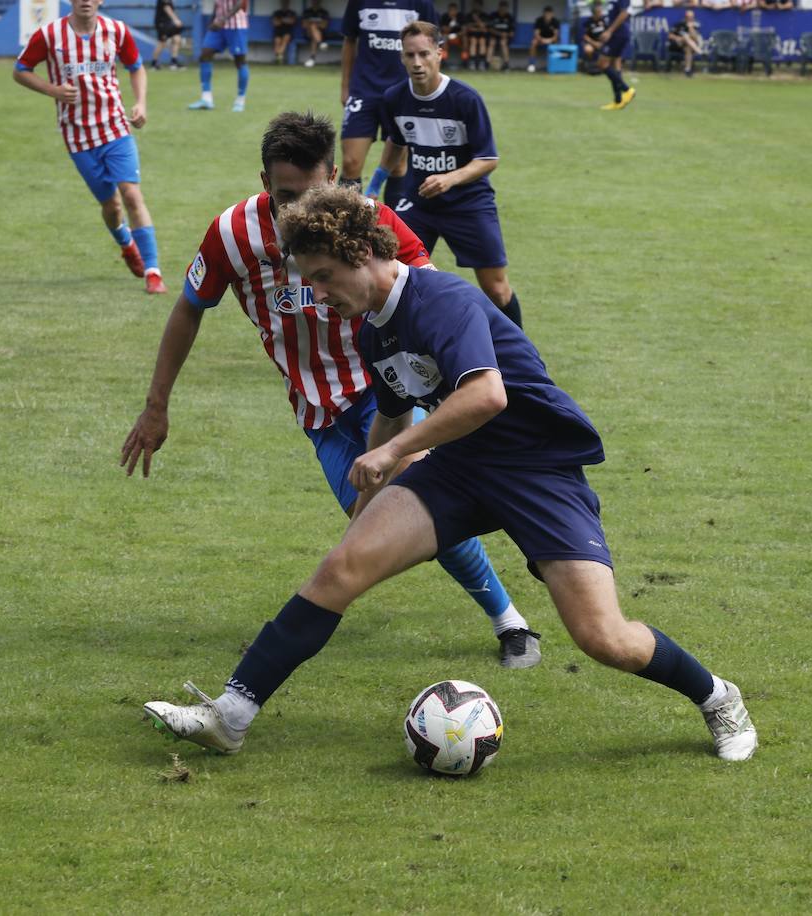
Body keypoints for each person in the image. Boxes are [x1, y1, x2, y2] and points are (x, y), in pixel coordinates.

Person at [142, 185, 760, 765]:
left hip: (537, 468)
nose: (320, 293)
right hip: (462, 466)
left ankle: (718, 698)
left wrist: (391, 455)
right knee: (341, 569)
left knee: (603, 637)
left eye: (325, 277)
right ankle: (231, 715)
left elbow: (487, 396)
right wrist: (365, 509)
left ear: (361, 253)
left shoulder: (443, 299)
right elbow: (388, 412)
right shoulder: (370, 327)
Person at [119, 111, 542, 670]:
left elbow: (429, 289)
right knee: (370, 525)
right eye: (285, 195)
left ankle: (510, 622)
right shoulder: (232, 234)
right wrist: (156, 407)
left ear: (335, 178)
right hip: (317, 410)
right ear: (265, 181)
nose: (298, 211)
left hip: (383, 389)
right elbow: (189, 309)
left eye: (311, 193)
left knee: (414, 497)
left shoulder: (366, 221)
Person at [13, 0, 165, 295]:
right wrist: (52, 90)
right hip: (77, 135)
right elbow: (20, 70)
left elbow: (136, 67)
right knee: (111, 206)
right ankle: (125, 243)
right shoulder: (50, 35)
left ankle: (153, 271)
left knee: (132, 195)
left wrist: (141, 102)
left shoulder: (116, 31)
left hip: (115, 127)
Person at [380, 20, 524, 327]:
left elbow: (488, 159)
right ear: (402, 58)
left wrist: (450, 178)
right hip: (420, 204)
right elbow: (396, 143)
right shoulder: (394, 98)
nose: (417, 63)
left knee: (497, 290)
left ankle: (520, 361)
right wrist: (376, 182)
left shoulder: (465, 99)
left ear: (439, 53)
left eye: (424, 54)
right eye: (409, 55)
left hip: (469, 203)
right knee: (396, 283)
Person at [339, 0, 436, 203]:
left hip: (404, 93)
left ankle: (393, 229)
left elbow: (433, 48)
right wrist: (345, 86)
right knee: (351, 162)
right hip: (363, 90)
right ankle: (346, 230)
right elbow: (349, 41)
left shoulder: (422, 3)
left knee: (399, 166)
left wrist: (426, 90)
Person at [188, 0, 249, 111]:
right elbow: (218, 4)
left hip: (236, 26)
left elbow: (240, 2)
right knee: (205, 54)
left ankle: (240, 100)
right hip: (218, 25)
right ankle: (206, 99)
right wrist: (212, 20)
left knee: (240, 61)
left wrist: (223, 19)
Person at [594, 0, 635, 111]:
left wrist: (609, 31)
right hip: (617, 33)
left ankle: (627, 90)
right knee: (616, 64)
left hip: (618, 33)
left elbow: (624, 13)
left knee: (602, 63)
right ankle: (618, 101)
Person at [149, 0, 183, 69]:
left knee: (177, 39)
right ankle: (154, 63)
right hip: (162, 23)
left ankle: (174, 62)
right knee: (162, 43)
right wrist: (176, 19)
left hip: (169, 23)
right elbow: (167, 8)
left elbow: (171, 9)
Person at [667, 8, 700, 76]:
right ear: (685, 17)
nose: (690, 18)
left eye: (691, 17)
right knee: (685, 37)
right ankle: (699, 51)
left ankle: (687, 70)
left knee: (688, 48)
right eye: (688, 17)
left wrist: (691, 28)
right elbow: (670, 36)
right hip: (676, 44)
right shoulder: (679, 24)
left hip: (688, 45)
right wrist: (678, 38)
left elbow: (695, 39)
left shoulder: (695, 25)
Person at [525, 4, 556, 71]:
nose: (548, 15)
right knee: (533, 42)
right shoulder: (539, 20)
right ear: (544, 13)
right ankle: (532, 64)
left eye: (549, 13)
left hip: (551, 40)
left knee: (557, 44)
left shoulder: (555, 21)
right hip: (540, 40)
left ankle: (553, 65)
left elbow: (556, 36)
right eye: (546, 13)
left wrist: (549, 40)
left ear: (552, 14)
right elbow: (536, 34)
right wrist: (542, 40)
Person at [580, 1, 608, 70]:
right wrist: (594, 43)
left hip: (602, 43)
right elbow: (584, 36)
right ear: (594, 13)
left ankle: (605, 66)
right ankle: (590, 65)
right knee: (588, 49)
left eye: (600, 11)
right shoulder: (588, 22)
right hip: (591, 43)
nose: (600, 13)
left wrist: (602, 43)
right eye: (598, 12)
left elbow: (607, 33)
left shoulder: (604, 20)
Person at [487, 0, 512, 70]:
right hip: (494, 36)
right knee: (492, 42)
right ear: (499, 8)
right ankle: (487, 63)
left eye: (504, 8)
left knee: (503, 43)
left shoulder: (509, 17)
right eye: (501, 8)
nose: (503, 10)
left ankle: (506, 64)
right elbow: (490, 29)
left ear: (507, 8)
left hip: (505, 38)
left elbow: (512, 33)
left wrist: (505, 35)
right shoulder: (493, 15)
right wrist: (500, 34)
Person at [301, 0, 327, 65]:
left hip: (321, 34)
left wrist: (311, 23)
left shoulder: (323, 12)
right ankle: (320, 43)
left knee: (314, 38)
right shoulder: (307, 12)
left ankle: (312, 58)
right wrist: (317, 24)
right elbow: (304, 25)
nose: (315, 2)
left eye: (317, 1)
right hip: (308, 33)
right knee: (313, 27)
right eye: (314, 0)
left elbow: (324, 25)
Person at [464, 0, 488, 68]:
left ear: (481, 6)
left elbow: (485, 29)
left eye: (478, 5)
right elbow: (468, 28)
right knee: (473, 40)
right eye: (475, 5)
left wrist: (477, 19)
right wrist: (478, 28)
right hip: (472, 35)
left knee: (482, 41)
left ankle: (482, 62)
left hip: (482, 35)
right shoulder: (469, 15)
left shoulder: (484, 15)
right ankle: (472, 62)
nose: (476, 7)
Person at [438, 1, 462, 67]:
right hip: (447, 36)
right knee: (444, 37)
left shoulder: (460, 16)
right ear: (448, 10)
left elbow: (464, 30)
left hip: (459, 36)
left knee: (465, 38)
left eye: (454, 10)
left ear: (457, 10)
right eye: (451, 10)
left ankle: (465, 60)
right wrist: (452, 21)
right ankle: (444, 61)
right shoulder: (445, 16)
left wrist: (457, 34)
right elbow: (444, 29)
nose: (453, 12)